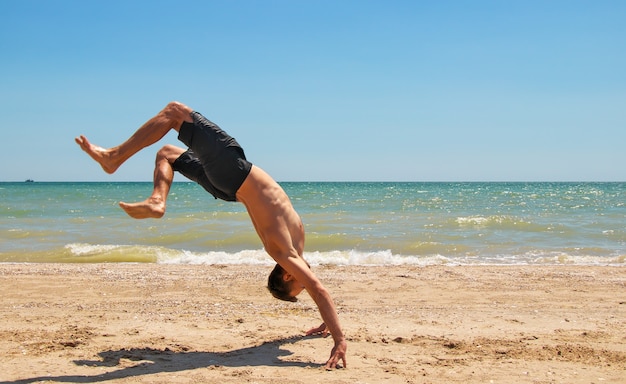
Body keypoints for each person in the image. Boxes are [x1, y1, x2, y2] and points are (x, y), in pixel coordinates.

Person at [75, 101, 346, 369]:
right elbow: (317, 291)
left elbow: (317, 289)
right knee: (167, 153)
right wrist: (330, 324)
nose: (309, 283)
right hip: (229, 188)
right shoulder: (294, 248)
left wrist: (339, 339)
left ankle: (114, 158)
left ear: (288, 274)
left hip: (233, 175)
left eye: (301, 285)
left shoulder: (283, 251)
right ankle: (157, 199)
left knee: (174, 112)